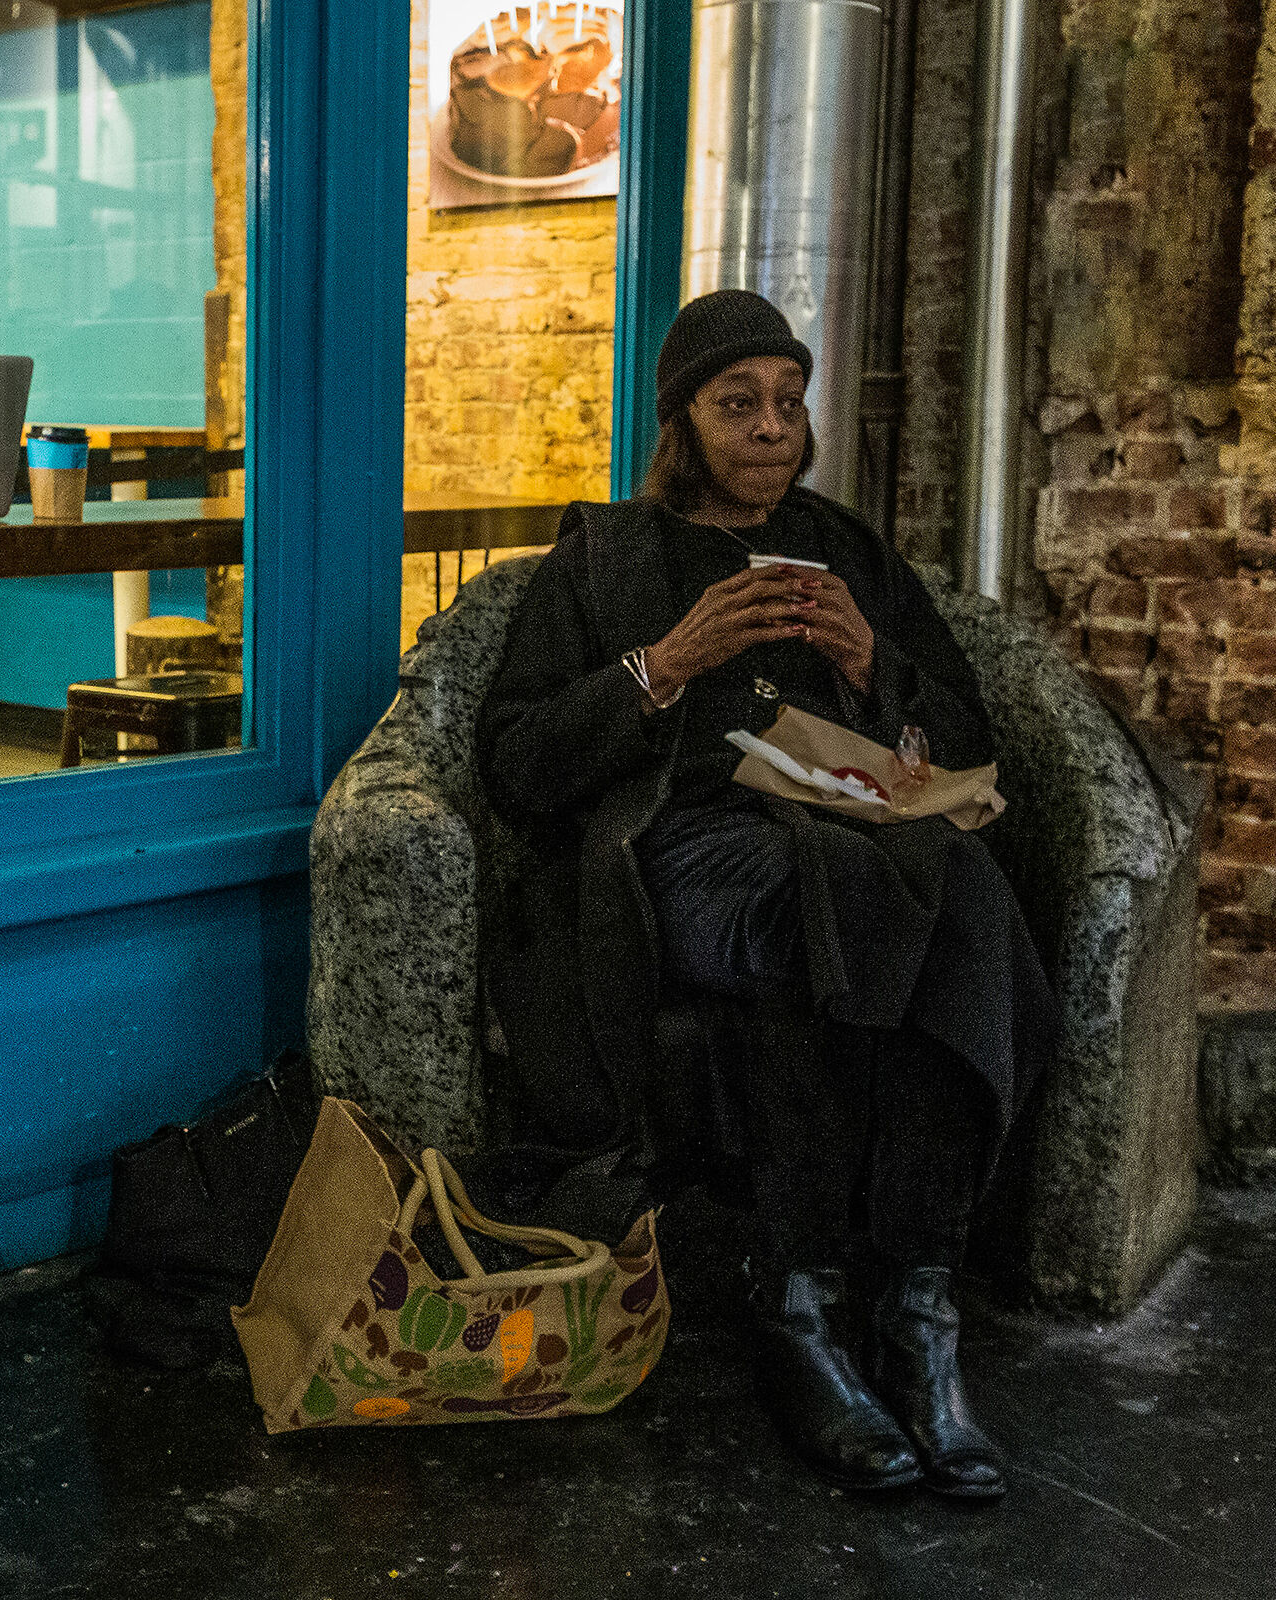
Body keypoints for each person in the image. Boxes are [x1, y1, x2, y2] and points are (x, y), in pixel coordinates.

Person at [475, 290, 1057, 1500]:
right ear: (682, 421)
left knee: (957, 888)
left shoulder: (846, 551)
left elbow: (964, 734)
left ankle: (913, 1311)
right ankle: (806, 1316)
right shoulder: (602, 555)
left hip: (857, 832)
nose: (771, 428)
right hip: (682, 843)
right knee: (851, 899)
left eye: (789, 403)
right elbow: (517, 763)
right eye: (738, 404)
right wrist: (666, 662)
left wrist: (868, 661)